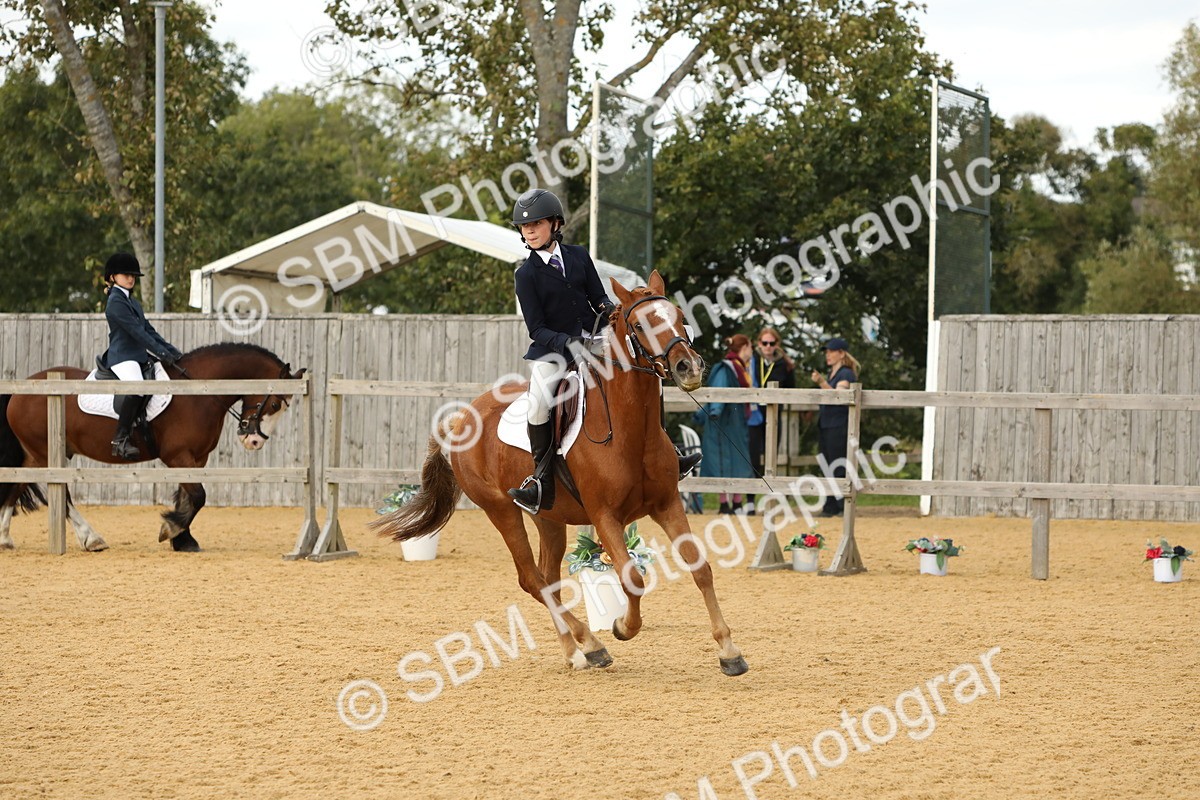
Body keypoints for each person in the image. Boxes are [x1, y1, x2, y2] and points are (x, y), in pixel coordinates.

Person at [99, 252, 183, 460]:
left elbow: (149, 331)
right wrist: (161, 353)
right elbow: (137, 333)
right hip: (123, 356)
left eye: (133, 275)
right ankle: (120, 439)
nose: (130, 278)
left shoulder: (133, 302)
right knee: (137, 386)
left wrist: (172, 352)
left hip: (138, 356)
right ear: (112, 277)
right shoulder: (116, 302)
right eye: (126, 274)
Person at [692, 334, 755, 514]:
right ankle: (724, 503)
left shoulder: (740, 368)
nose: (752, 351)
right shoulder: (726, 368)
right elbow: (718, 391)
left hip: (735, 421)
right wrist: (715, 412)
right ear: (744, 348)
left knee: (737, 460)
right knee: (723, 460)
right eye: (750, 347)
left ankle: (736, 501)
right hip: (722, 420)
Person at [746, 326, 795, 514]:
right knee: (753, 456)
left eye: (771, 343)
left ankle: (770, 500)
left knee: (772, 457)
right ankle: (750, 500)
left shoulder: (784, 364)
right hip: (755, 415)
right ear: (759, 344)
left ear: (777, 345)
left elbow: (792, 388)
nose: (767, 347)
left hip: (774, 415)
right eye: (764, 343)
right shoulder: (752, 360)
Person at [810, 336, 860, 516]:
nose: (828, 355)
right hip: (827, 423)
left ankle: (838, 505)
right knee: (827, 464)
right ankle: (830, 504)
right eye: (827, 352)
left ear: (841, 353)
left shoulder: (845, 373)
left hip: (838, 424)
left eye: (831, 352)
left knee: (838, 465)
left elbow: (839, 397)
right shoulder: (834, 374)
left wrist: (821, 383)